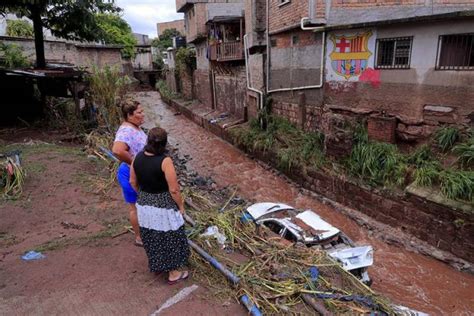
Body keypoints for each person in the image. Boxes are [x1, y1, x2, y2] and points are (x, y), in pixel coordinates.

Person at [129, 127, 190, 285]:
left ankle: (158, 266)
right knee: (170, 236)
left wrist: (144, 195)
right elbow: (174, 189)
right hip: (163, 205)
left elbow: (132, 182)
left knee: (151, 235)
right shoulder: (165, 161)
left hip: (143, 204)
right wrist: (181, 206)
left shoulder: (137, 158)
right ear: (164, 144)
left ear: (148, 140)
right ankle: (174, 273)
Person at [112, 101, 147, 246]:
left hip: (138, 172)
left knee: (143, 204)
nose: (143, 115)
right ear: (129, 115)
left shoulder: (134, 127)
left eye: (142, 111)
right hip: (130, 174)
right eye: (139, 112)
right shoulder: (126, 131)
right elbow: (118, 150)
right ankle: (139, 238)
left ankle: (146, 232)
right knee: (135, 207)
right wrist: (134, 162)